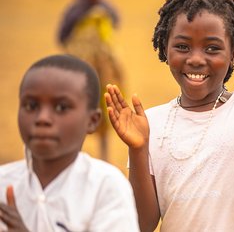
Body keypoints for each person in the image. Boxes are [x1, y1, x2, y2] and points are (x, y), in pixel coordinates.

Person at [105, 0, 234, 231]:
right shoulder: (150, 124)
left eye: (212, 48)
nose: (195, 59)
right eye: (183, 46)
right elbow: (143, 224)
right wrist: (138, 149)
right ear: (164, 48)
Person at [0, 55, 139, 232]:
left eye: (61, 107)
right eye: (31, 106)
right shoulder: (4, 182)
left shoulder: (105, 187)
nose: (42, 118)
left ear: (93, 121)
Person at [57, 0, 123, 161]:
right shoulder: (75, 12)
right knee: (78, 112)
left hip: (104, 72)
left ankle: (105, 158)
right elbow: (62, 36)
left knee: (105, 111)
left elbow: (116, 21)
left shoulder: (105, 8)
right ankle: (73, 155)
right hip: (81, 72)